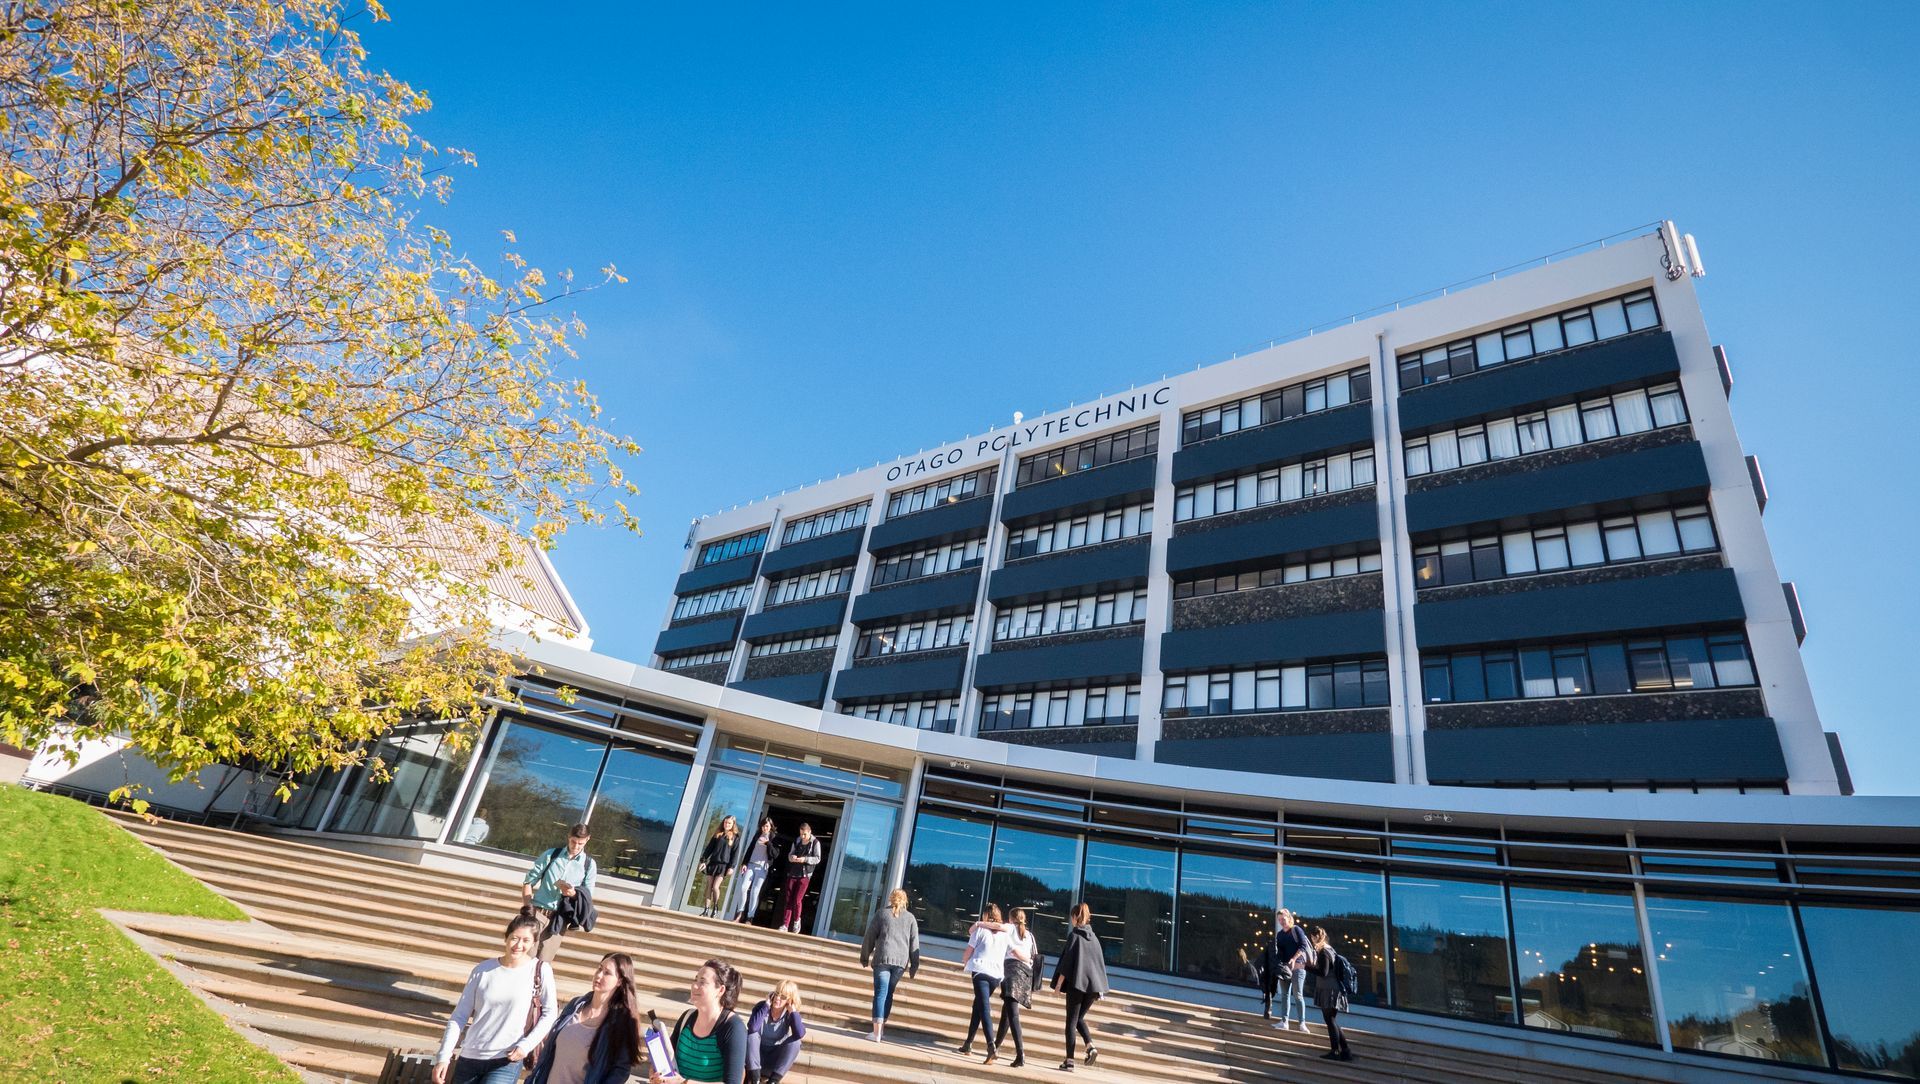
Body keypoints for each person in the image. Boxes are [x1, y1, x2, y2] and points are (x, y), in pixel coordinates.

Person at [433, 914, 557, 1084]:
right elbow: (459, 1016)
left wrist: (526, 1045)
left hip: (506, 1059)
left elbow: (550, 1013)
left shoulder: (540, 970)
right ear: (506, 937)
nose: (519, 945)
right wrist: (444, 1056)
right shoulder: (483, 970)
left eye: (526, 940)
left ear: (534, 942)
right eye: (514, 938)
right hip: (470, 1057)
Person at [527, 952, 641, 1084]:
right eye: (599, 968)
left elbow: (620, 1070)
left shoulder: (621, 1022)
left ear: (619, 981)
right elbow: (549, 1052)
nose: (599, 975)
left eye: (607, 973)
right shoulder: (576, 1004)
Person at [651, 958, 748, 1084]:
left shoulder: (733, 1027)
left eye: (702, 982)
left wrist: (683, 1082)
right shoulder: (687, 1017)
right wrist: (656, 1073)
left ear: (720, 990)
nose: (694, 985)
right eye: (695, 979)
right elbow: (667, 1059)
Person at [523, 823, 598, 963]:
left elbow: (587, 896)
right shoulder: (551, 855)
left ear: (587, 839)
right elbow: (528, 882)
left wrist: (573, 894)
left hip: (559, 919)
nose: (575, 847)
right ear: (568, 837)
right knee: (525, 959)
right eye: (573, 842)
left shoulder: (589, 864)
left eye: (580, 844)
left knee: (543, 965)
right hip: (537, 913)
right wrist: (528, 908)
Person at [1050, 902, 1108, 1073]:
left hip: (1077, 985)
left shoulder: (1075, 935)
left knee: (1071, 1022)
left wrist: (1059, 984)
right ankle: (1090, 1045)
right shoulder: (1095, 938)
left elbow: (1067, 962)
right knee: (1078, 1019)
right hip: (1093, 987)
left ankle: (1069, 1061)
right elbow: (1099, 964)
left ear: (1075, 917)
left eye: (1072, 918)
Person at [859, 888, 920, 1042]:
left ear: (891, 899)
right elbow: (914, 944)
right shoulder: (911, 918)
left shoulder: (881, 914)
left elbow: (869, 936)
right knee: (888, 994)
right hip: (900, 962)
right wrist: (914, 966)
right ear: (905, 901)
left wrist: (864, 957)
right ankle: (882, 1029)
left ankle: (877, 1033)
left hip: (883, 958)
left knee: (880, 993)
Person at [988, 906, 1040, 1068]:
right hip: (1025, 974)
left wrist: (979, 924)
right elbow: (1033, 956)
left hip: (1011, 971)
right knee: (1007, 1012)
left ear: (1011, 919)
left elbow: (996, 927)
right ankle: (995, 1046)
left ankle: (1020, 1053)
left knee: (1013, 1015)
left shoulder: (1010, 927)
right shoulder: (1029, 935)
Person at [956, 903, 1009, 1056]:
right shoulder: (1005, 933)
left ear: (985, 916)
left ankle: (990, 1044)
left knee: (984, 1007)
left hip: (980, 971)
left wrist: (965, 962)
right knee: (978, 1006)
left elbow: (968, 952)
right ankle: (968, 1042)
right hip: (996, 974)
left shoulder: (979, 930)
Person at [1306, 925, 1355, 1062]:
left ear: (1316, 937)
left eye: (1312, 937)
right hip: (1333, 988)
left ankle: (1335, 1051)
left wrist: (1306, 967)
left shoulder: (1324, 952)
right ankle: (1345, 1050)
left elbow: (1323, 972)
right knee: (1331, 1020)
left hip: (1329, 989)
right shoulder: (1330, 950)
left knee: (1330, 1020)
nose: (1312, 940)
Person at [744, 979, 807, 1084]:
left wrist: (793, 1012)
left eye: (783, 997)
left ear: (789, 1000)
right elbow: (753, 1027)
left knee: (796, 1042)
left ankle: (773, 1081)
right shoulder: (761, 1007)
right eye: (776, 994)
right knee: (751, 1035)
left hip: (774, 1061)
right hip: (755, 1059)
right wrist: (766, 1006)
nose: (777, 998)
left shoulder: (789, 1013)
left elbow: (800, 1034)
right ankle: (755, 1079)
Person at [728, 817, 781, 924]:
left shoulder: (773, 838)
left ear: (771, 827)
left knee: (755, 892)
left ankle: (750, 917)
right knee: (743, 888)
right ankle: (739, 914)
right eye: (763, 826)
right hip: (751, 865)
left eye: (767, 826)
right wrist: (744, 863)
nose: (764, 828)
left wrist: (768, 843)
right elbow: (749, 849)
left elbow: (775, 854)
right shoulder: (757, 835)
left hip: (762, 868)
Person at [776, 822, 821, 933]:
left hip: (805, 875)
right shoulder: (796, 841)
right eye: (801, 834)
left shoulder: (815, 843)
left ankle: (796, 921)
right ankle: (785, 924)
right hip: (793, 873)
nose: (802, 837)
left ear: (809, 832)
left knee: (797, 900)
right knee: (788, 899)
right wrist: (793, 857)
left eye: (804, 834)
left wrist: (804, 859)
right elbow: (790, 855)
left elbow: (817, 858)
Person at [1272, 910, 1312, 1032]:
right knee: (1284, 995)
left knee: (1298, 994)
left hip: (1298, 967)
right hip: (1285, 969)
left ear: (1289, 918)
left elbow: (1303, 946)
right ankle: (1284, 1021)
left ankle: (1302, 1023)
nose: (1281, 922)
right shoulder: (1279, 935)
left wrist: (1294, 958)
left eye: (1283, 919)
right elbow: (1279, 952)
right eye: (1279, 920)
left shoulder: (1296, 930)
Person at [699, 815, 742, 918]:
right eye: (725, 822)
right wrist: (703, 861)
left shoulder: (735, 838)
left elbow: (735, 854)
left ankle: (715, 908)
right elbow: (709, 849)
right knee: (709, 886)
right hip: (713, 863)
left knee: (715, 887)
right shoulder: (717, 834)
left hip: (723, 866)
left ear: (733, 825)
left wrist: (732, 867)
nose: (727, 824)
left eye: (729, 823)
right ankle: (706, 910)